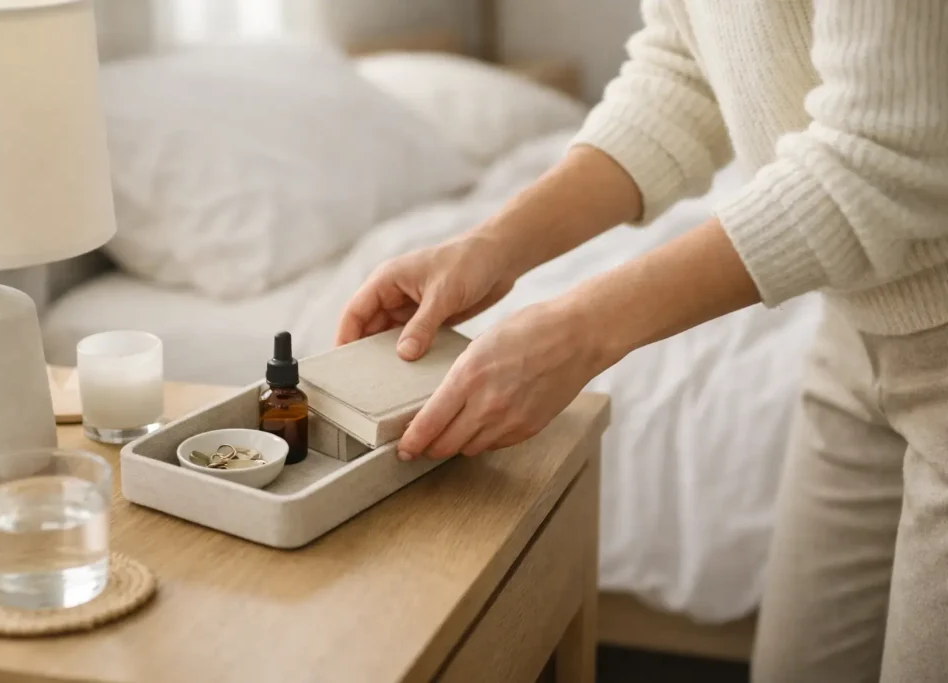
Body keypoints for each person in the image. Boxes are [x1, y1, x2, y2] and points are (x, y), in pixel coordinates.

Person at [336, 2, 948, 680]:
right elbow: (683, 73)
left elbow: (883, 158)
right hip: (851, 329)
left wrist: (582, 329)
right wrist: (491, 245)